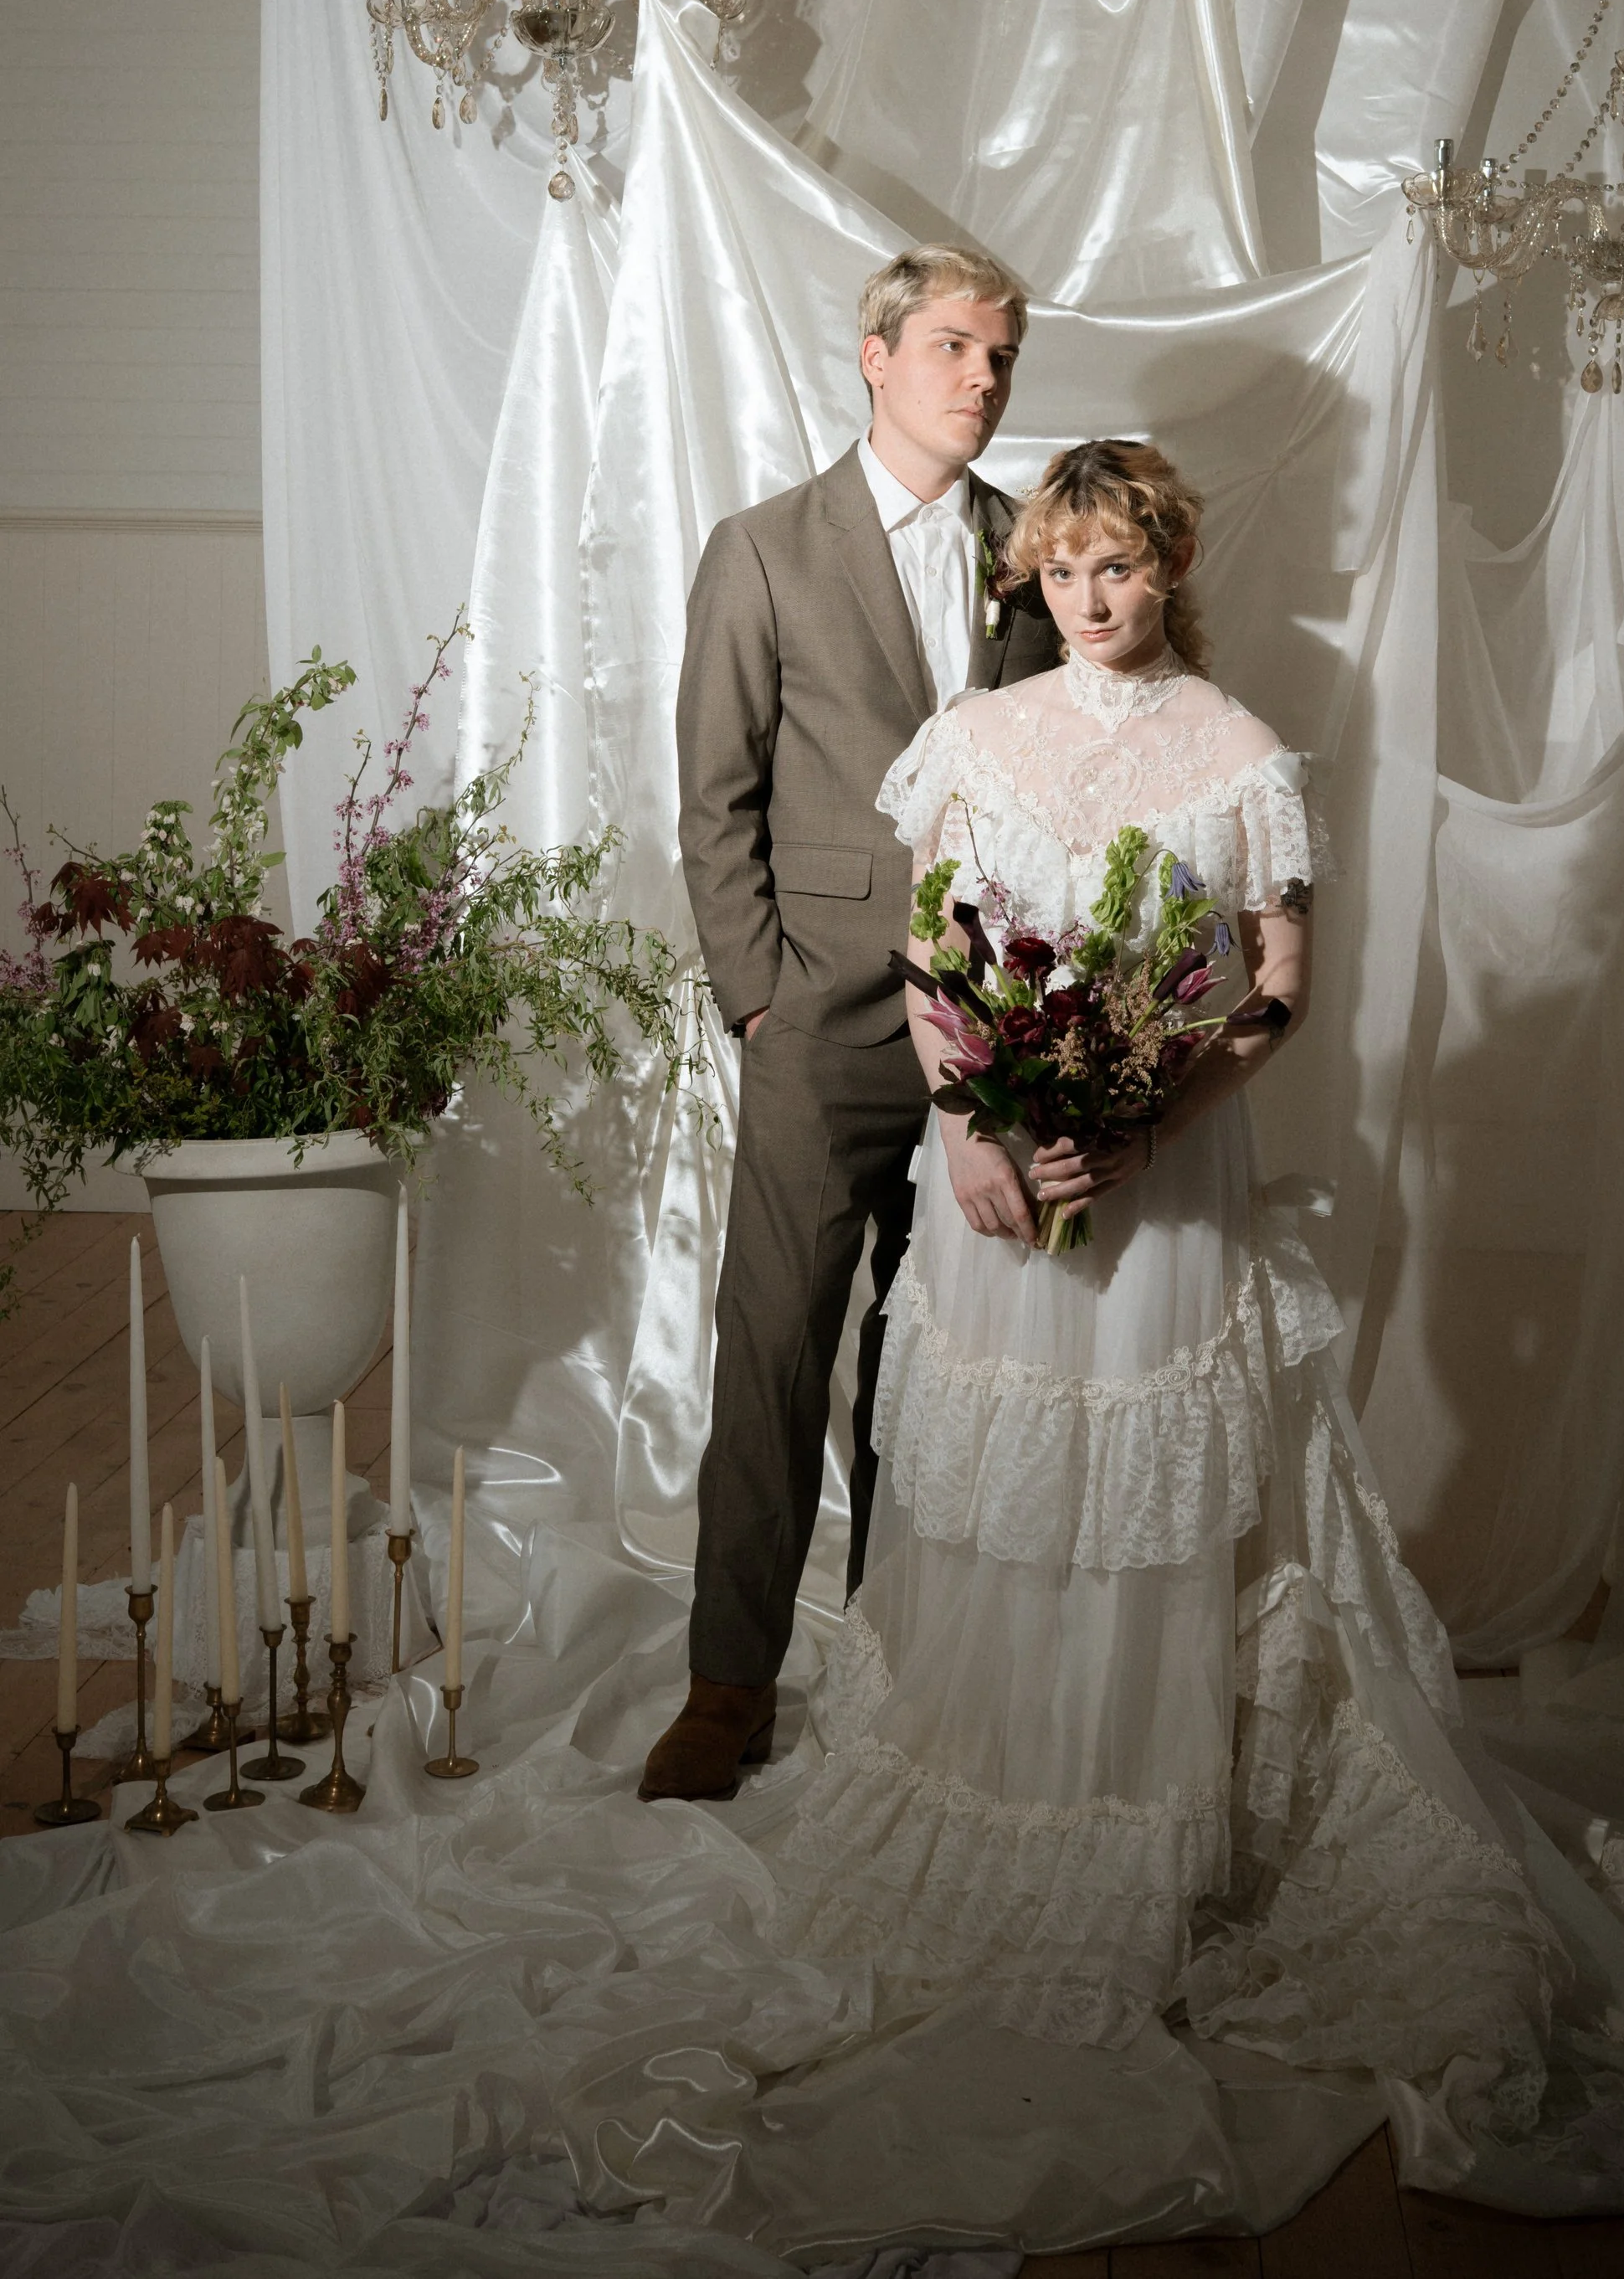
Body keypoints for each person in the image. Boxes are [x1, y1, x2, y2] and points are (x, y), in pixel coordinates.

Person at [762, 437, 1571, 2069]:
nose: (1087, 598)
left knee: (1140, 1503)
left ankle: (1132, 1821)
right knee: (1000, 1490)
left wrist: (1144, 1126)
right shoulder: (973, 740)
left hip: (1164, 1182)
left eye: (1114, 567)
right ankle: (992, 1802)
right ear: (1029, 578)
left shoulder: (1234, 752)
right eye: (1059, 572)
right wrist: (973, 1127)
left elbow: (1275, 984)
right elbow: (930, 960)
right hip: (990, 1171)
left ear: (1168, 565)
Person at [640, 245, 1061, 1804]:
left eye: (1003, 356)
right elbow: (713, 797)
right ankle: (726, 1684)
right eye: (954, 346)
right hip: (816, 1021)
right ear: (875, 354)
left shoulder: (1037, 552)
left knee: (933, 1362)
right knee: (774, 1354)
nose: (983, 378)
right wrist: (759, 994)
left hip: (991, 1033)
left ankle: (902, 1658)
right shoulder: (763, 549)